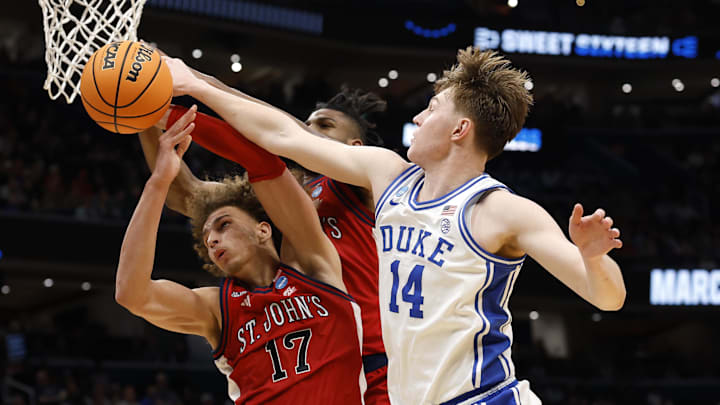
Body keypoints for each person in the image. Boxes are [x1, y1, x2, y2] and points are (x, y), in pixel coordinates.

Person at [163, 47, 627, 405]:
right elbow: (283, 136)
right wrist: (195, 86)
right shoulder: (388, 176)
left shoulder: (500, 210)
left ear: (459, 129)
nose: (418, 117)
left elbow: (608, 297)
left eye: (431, 109)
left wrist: (593, 256)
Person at [138, 87, 391, 405]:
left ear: (356, 147)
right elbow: (185, 193)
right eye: (307, 124)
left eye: (323, 126)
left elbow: (281, 131)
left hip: (377, 360)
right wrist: (142, 112)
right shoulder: (280, 194)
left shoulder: (367, 183)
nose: (308, 131)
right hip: (311, 358)